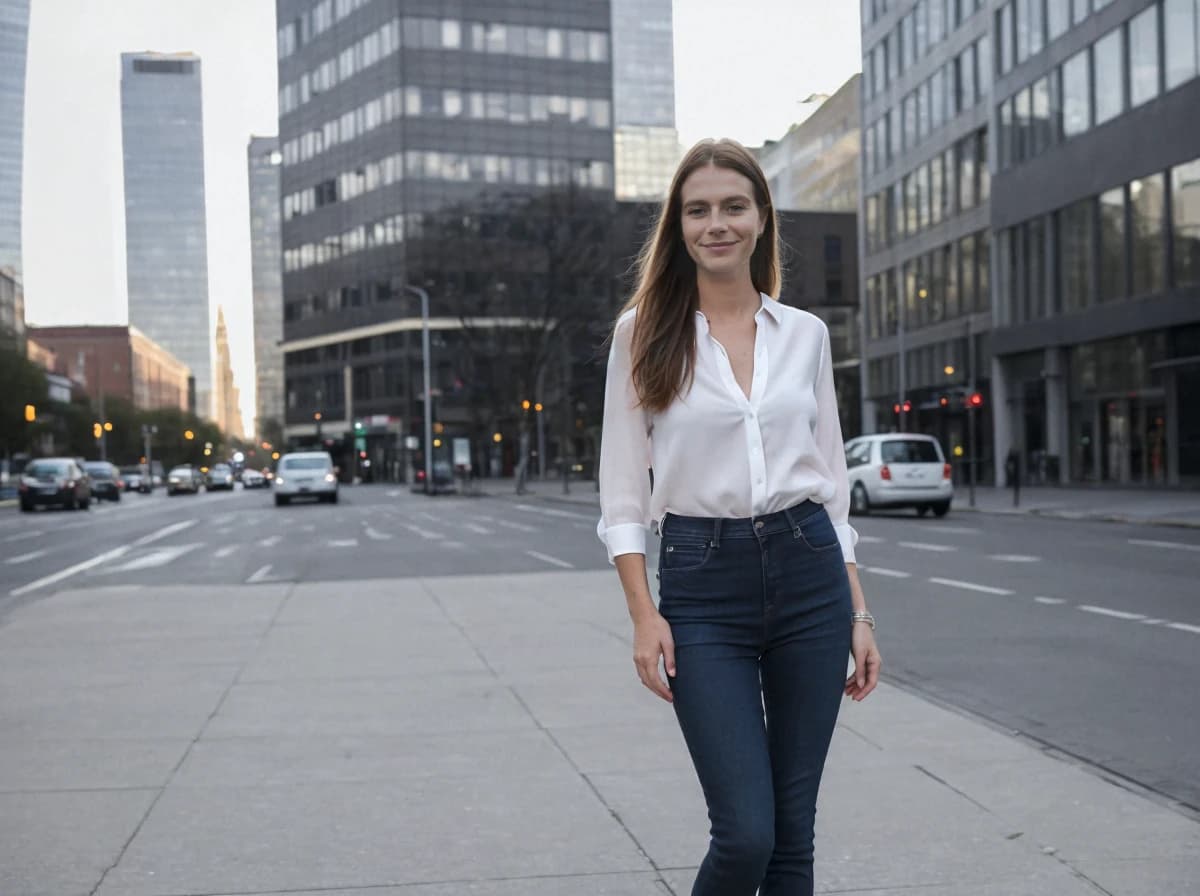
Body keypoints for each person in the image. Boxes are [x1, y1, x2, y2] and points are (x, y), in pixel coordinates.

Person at [596, 138, 881, 896]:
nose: (715, 224)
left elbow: (829, 485)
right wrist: (643, 616)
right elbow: (622, 493)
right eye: (697, 210)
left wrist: (858, 611)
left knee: (793, 838)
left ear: (760, 219)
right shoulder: (643, 335)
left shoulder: (807, 337)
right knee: (746, 834)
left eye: (732, 207)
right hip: (701, 586)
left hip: (809, 574)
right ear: (678, 226)